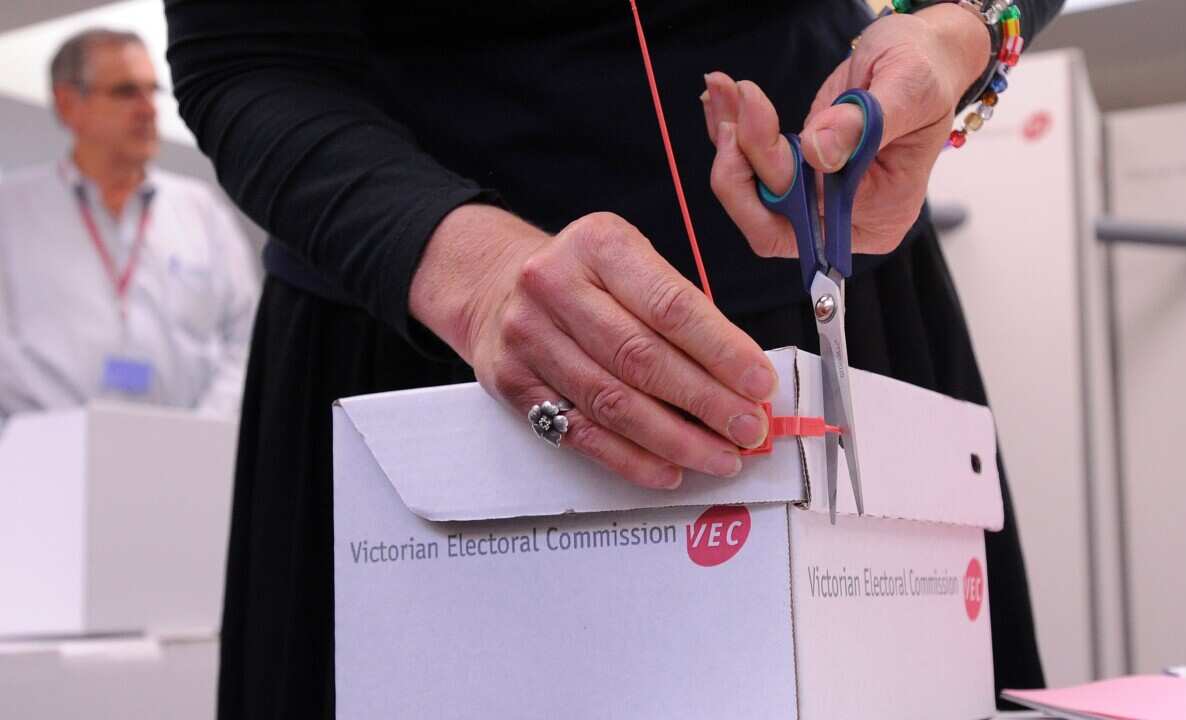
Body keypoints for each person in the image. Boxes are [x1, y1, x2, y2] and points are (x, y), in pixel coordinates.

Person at [165, 0, 1064, 716]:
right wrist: (474, 279)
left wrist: (960, 31)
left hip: (826, 258)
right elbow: (245, 58)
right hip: (426, 320)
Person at [0, 28, 258, 424]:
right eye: (125, 92)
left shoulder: (202, 212)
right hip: (45, 461)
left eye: (152, 91)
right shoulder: (10, 211)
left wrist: (206, 427)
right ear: (69, 105)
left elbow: (247, 337)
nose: (149, 109)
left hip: (191, 461)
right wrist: (77, 429)